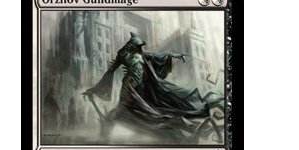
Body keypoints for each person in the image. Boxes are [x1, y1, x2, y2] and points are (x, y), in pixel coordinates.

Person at [83, 32, 221, 142]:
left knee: (151, 113)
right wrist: (94, 90)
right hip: (130, 88)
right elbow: (111, 71)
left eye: (140, 47)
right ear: (133, 46)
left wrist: (175, 55)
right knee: (141, 114)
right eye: (139, 46)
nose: (141, 49)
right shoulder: (123, 55)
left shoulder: (140, 55)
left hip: (142, 88)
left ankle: (192, 128)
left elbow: (157, 56)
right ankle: (192, 128)